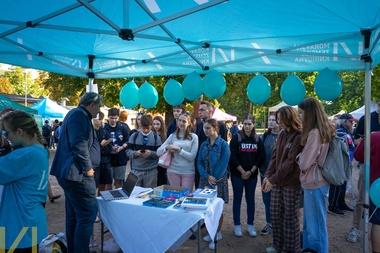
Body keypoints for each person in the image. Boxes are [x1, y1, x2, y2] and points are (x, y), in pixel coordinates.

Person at [50, 92, 102, 253]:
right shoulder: (79, 115)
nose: (99, 110)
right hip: (77, 175)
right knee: (87, 215)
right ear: (92, 105)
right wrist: (88, 169)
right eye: (99, 106)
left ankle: (75, 249)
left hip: (71, 174)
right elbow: (79, 145)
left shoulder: (78, 114)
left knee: (74, 215)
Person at [0, 110, 49, 252]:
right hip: (32, 220)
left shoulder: (25, 155)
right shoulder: (39, 150)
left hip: (18, 224)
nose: (6, 137)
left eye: (6, 133)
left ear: (19, 131)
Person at [297, 97, 335, 253]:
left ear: (309, 113)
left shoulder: (314, 133)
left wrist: (299, 157)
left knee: (315, 227)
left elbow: (305, 163)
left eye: (300, 112)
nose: (298, 115)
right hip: (316, 181)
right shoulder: (324, 129)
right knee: (311, 224)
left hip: (314, 182)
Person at [262, 106, 303, 253]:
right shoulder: (280, 135)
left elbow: (290, 163)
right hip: (277, 181)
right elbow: (274, 158)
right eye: (278, 120)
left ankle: (291, 249)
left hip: (291, 184)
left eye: (281, 120)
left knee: (290, 219)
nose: (279, 123)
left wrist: (272, 179)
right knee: (275, 215)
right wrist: (267, 176)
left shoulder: (299, 136)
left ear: (289, 119)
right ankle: (277, 245)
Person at [347, 101, 380, 243]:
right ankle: (356, 228)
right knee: (362, 198)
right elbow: (356, 141)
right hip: (366, 165)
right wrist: (364, 141)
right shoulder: (367, 118)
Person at [229, 114, 265, 238]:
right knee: (237, 200)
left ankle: (250, 225)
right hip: (237, 175)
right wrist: (242, 171)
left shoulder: (257, 139)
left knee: (250, 200)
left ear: (253, 124)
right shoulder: (236, 137)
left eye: (249, 124)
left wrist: (251, 171)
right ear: (242, 124)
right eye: (245, 124)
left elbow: (261, 156)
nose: (247, 126)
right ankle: (237, 225)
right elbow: (232, 155)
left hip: (252, 176)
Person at [198, 118, 230, 250]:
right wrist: (206, 176)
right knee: (206, 208)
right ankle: (211, 231)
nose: (205, 131)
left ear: (215, 128)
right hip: (205, 180)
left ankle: (217, 233)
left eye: (208, 128)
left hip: (218, 182)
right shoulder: (204, 145)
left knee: (217, 209)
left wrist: (213, 178)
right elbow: (199, 162)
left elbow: (223, 164)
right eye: (204, 128)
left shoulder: (223, 145)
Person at [353, 130, 380, 253]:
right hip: (376, 187)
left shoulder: (374, 136)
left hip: (377, 186)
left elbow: (358, 155)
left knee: (379, 223)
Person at [157, 113, 198, 191]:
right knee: (175, 196)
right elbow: (158, 152)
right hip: (173, 170)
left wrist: (179, 149)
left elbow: (192, 157)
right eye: (179, 120)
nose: (181, 123)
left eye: (184, 121)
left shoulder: (194, 137)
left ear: (189, 123)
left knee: (186, 197)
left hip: (188, 171)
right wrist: (167, 147)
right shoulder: (172, 136)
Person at [327, 113, 355, 216]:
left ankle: (341, 202)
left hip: (346, 161)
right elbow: (339, 148)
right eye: (350, 121)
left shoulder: (346, 132)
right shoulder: (339, 132)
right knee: (337, 183)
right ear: (344, 122)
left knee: (343, 183)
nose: (352, 123)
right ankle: (333, 206)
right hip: (340, 162)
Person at [195, 100, 228, 188]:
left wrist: (214, 176)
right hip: (202, 171)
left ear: (210, 111)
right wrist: (204, 174)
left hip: (217, 174)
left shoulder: (221, 126)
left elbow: (224, 152)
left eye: (202, 110)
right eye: (199, 110)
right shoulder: (198, 126)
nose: (199, 112)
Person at [259, 113, 280, 236]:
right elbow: (261, 154)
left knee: (279, 201)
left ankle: (278, 224)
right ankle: (269, 223)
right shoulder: (266, 135)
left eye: (274, 120)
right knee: (267, 199)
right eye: (270, 120)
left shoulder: (284, 136)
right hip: (265, 173)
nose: (271, 122)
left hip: (279, 175)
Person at [126, 114, 162, 188]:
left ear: (151, 125)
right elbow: (128, 151)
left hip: (151, 171)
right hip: (136, 170)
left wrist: (151, 153)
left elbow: (160, 154)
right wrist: (135, 153)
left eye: (147, 128)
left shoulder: (156, 137)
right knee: (134, 194)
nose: (145, 130)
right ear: (140, 125)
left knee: (149, 194)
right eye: (143, 128)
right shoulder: (134, 136)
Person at [104, 108, 129, 189]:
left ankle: (118, 198)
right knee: (108, 182)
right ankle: (109, 200)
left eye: (115, 118)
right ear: (108, 117)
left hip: (120, 158)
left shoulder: (123, 127)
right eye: (111, 118)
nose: (113, 120)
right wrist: (109, 147)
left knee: (119, 181)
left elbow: (127, 141)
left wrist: (121, 147)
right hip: (108, 159)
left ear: (118, 117)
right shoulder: (104, 128)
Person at [94, 112, 113, 196]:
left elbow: (109, 147)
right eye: (99, 119)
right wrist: (101, 146)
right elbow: (91, 149)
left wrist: (103, 148)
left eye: (102, 119)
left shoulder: (104, 131)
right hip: (95, 163)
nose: (101, 121)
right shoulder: (90, 132)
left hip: (105, 162)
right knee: (93, 186)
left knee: (103, 185)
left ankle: (100, 203)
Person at [152, 115, 168, 186]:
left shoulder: (165, 136)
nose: (156, 126)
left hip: (162, 162)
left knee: (162, 181)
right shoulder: (151, 135)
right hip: (153, 162)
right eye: (154, 124)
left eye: (158, 124)